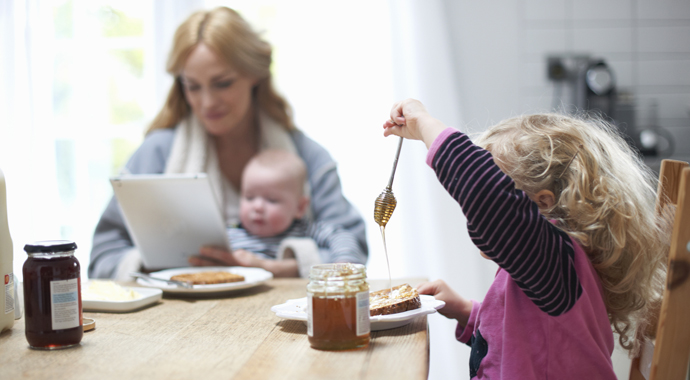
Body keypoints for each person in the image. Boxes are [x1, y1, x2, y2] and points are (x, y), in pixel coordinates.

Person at [382, 99, 670, 378]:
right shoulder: (554, 269)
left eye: (504, 192)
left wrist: (424, 125)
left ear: (541, 205)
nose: (475, 215)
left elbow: (485, 198)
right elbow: (529, 339)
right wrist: (467, 313)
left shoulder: (553, 263)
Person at [89, 7, 367, 279]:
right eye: (193, 86)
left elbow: (353, 250)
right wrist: (159, 266)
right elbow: (102, 256)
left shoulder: (307, 157)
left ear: (255, 74)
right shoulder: (156, 153)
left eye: (222, 83)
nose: (207, 103)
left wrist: (278, 270)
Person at [227, 149, 366, 277]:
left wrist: (343, 263)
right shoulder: (231, 236)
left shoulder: (305, 230)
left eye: (271, 200)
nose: (257, 207)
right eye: (249, 197)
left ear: (300, 208)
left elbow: (341, 236)